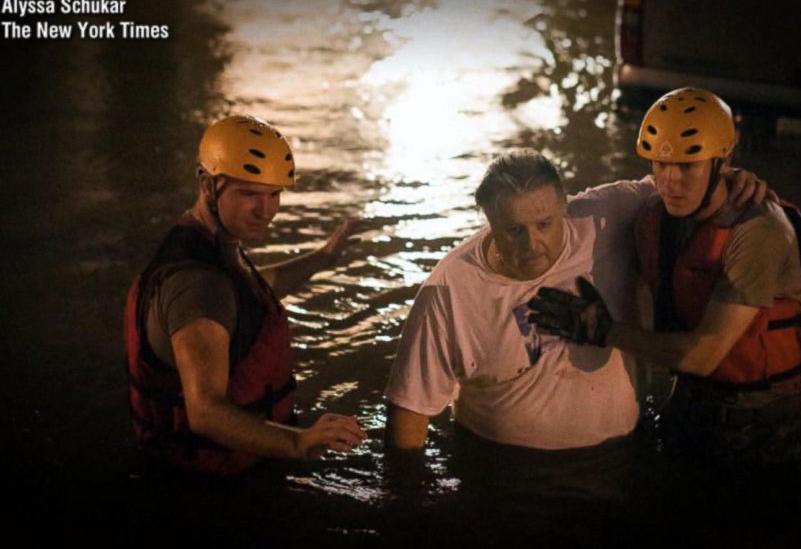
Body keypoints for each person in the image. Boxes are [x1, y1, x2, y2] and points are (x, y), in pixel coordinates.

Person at [383, 148, 766, 453]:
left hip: (623, 454)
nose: (531, 244)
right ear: (488, 222)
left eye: (545, 224)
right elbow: (410, 410)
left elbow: (683, 189)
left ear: (566, 206)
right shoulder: (448, 290)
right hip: (505, 470)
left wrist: (730, 181)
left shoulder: (605, 215)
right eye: (513, 230)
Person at [529, 87, 801, 466]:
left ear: (723, 161)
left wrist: (604, 331)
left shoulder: (759, 230)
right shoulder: (654, 216)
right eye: (660, 165)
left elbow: (703, 355)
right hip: (687, 402)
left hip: (760, 422)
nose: (670, 181)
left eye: (687, 166)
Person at [124, 115, 367, 475]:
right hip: (210, 490)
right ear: (208, 185)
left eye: (274, 194)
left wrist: (323, 257)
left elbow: (248, 294)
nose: (265, 211)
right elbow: (206, 412)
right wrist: (299, 442)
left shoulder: (204, 244)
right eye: (248, 193)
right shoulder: (198, 285)